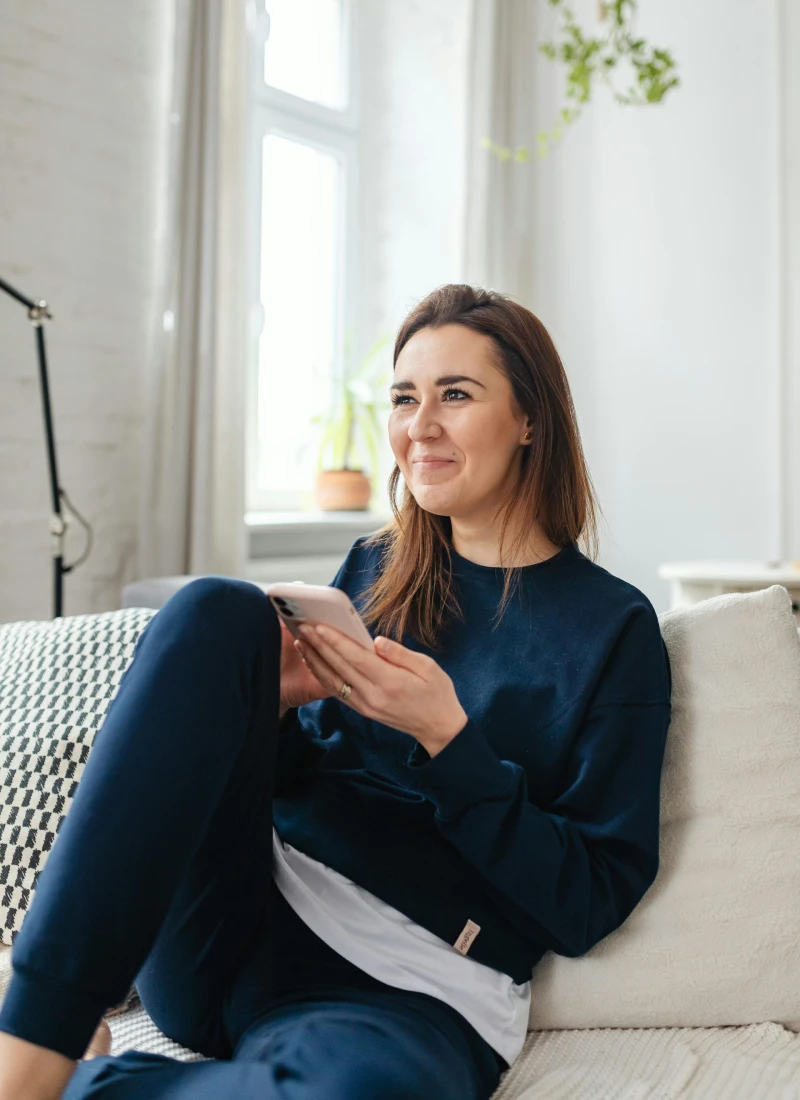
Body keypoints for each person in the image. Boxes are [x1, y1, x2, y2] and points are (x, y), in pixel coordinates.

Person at [0, 284, 672, 1099]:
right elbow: (296, 778)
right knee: (217, 609)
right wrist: (276, 713)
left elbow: (588, 903)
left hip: (398, 991)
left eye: (455, 395)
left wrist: (450, 746)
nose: (418, 425)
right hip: (235, 912)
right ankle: (32, 1039)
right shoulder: (374, 571)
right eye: (403, 397)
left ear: (531, 420)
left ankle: (80, 1076)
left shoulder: (613, 629)